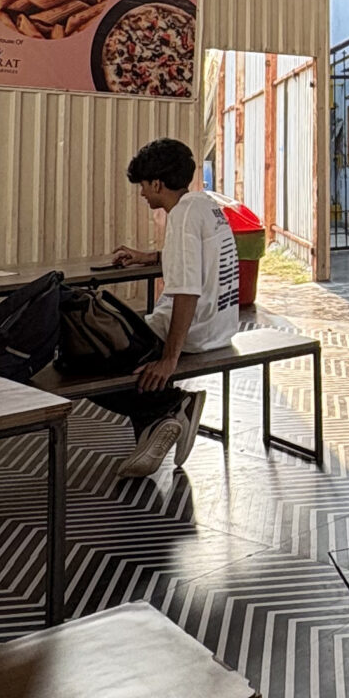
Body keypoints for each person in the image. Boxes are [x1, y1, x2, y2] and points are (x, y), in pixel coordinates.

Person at [108, 137, 241, 477]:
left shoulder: (181, 215)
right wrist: (148, 257)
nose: (142, 194)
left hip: (193, 333)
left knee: (92, 357)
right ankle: (165, 415)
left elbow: (186, 292)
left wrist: (168, 360)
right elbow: (196, 260)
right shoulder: (205, 205)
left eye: (143, 186)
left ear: (157, 184)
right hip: (221, 328)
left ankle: (167, 409)